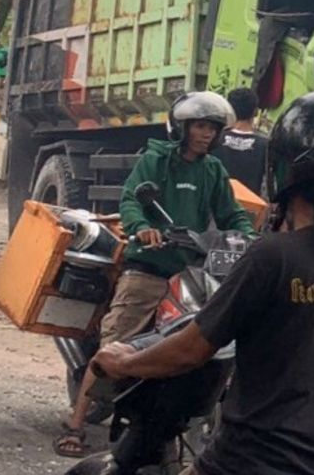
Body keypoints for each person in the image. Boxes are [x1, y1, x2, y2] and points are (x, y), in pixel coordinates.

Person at [92, 91, 314, 475]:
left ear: (282, 167)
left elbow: (191, 351)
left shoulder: (274, 255)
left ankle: (76, 423)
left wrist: (127, 361)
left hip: (253, 462)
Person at [55, 91, 256, 458]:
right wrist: (142, 227)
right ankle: (76, 424)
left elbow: (230, 212)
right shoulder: (157, 160)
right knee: (115, 344)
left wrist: (245, 235)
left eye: (212, 128)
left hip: (188, 271)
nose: (205, 134)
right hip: (148, 266)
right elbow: (132, 198)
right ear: (181, 127)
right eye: (198, 126)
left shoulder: (212, 169)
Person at [212, 86, 269, 195]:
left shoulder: (212, 139)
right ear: (255, 112)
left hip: (213, 205)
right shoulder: (266, 146)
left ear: (229, 109)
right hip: (248, 209)